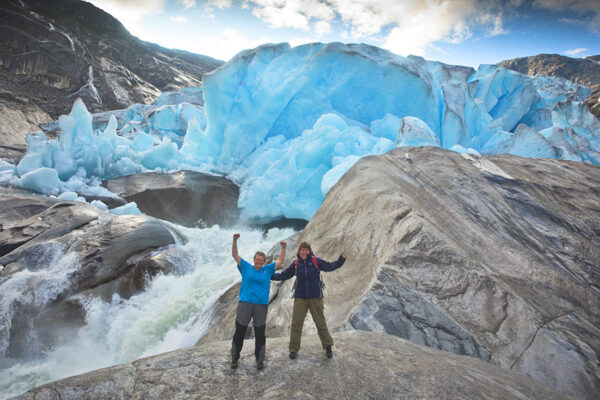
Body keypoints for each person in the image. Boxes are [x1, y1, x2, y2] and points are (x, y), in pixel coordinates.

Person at [272, 241, 345, 359]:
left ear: (309, 251)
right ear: (299, 251)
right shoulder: (296, 263)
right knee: (296, 323)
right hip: (300, 297)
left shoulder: (316, 261)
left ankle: (328, 346)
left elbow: (330, 266)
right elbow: (284, 275)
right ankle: (293, 349)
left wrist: (341, 260)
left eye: (306, 249)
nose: (304, 251)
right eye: (302, 249)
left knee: (320, 322)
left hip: (315, 297)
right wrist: (270, 276)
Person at [230, 233, 286, 370]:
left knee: (260, 333)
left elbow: (280, 261)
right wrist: (235, 240)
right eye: (257, 260)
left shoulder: (267, 269)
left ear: (264, 261)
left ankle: (259, 360)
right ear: (254, 259)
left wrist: (284, 248)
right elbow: (235, 255)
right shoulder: (246, 267)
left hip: (261, 305)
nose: (259, 262)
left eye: (261, 260)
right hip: (245, 303)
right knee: (240, 331)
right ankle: (234, 358)